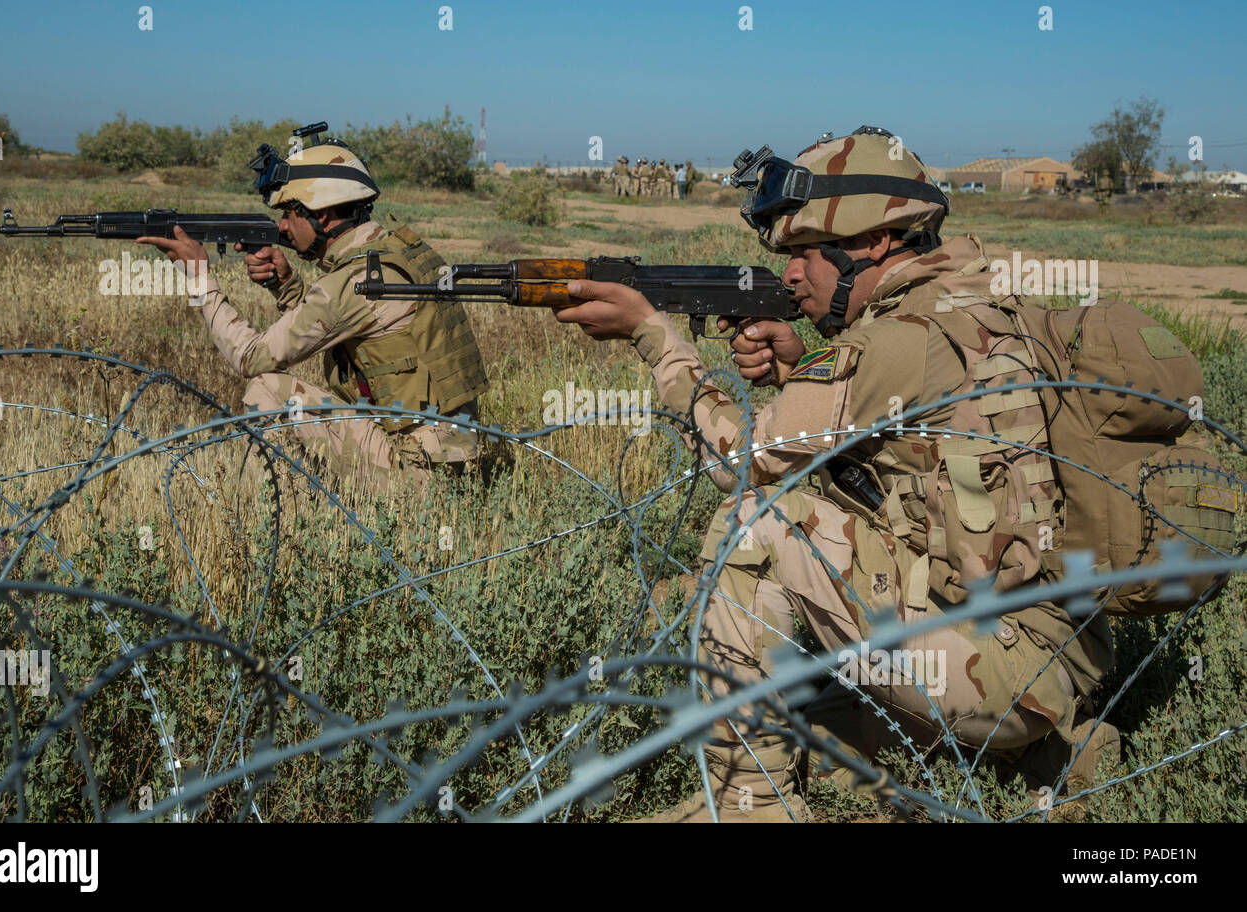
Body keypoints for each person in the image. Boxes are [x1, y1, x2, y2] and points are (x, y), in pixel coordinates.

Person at [554, 126, 1118, 822]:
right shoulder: (984, 305)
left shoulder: (894, 340)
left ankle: (751, 808)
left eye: (804, 252)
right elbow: (912, 452)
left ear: (874, 242)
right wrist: (802, 370)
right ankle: (1042, 752)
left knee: (755, 523)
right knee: (823, 733)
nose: (791, 275)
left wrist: (657, 340)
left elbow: (739, 460)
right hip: (1063, 648)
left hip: (998, 664)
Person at [138, 128, 488, 490]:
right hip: (452, 462)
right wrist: (287, 286)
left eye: (289, 213)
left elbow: (250, 358)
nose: (282, 226)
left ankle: (287, 507)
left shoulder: (354, 280)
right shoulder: (400, 252)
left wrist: (199, 278)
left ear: (322, 214)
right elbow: (348, 328)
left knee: (268, 389)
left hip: (416, 474)